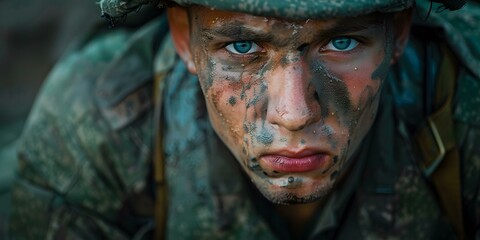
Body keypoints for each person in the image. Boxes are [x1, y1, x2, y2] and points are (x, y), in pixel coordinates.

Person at [7, 0, 480, 239]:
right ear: (182, 37)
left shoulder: (465, 107)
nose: (294, 113)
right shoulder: (96, 123)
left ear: (398, 34)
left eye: (341, 43)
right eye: (242, 47)